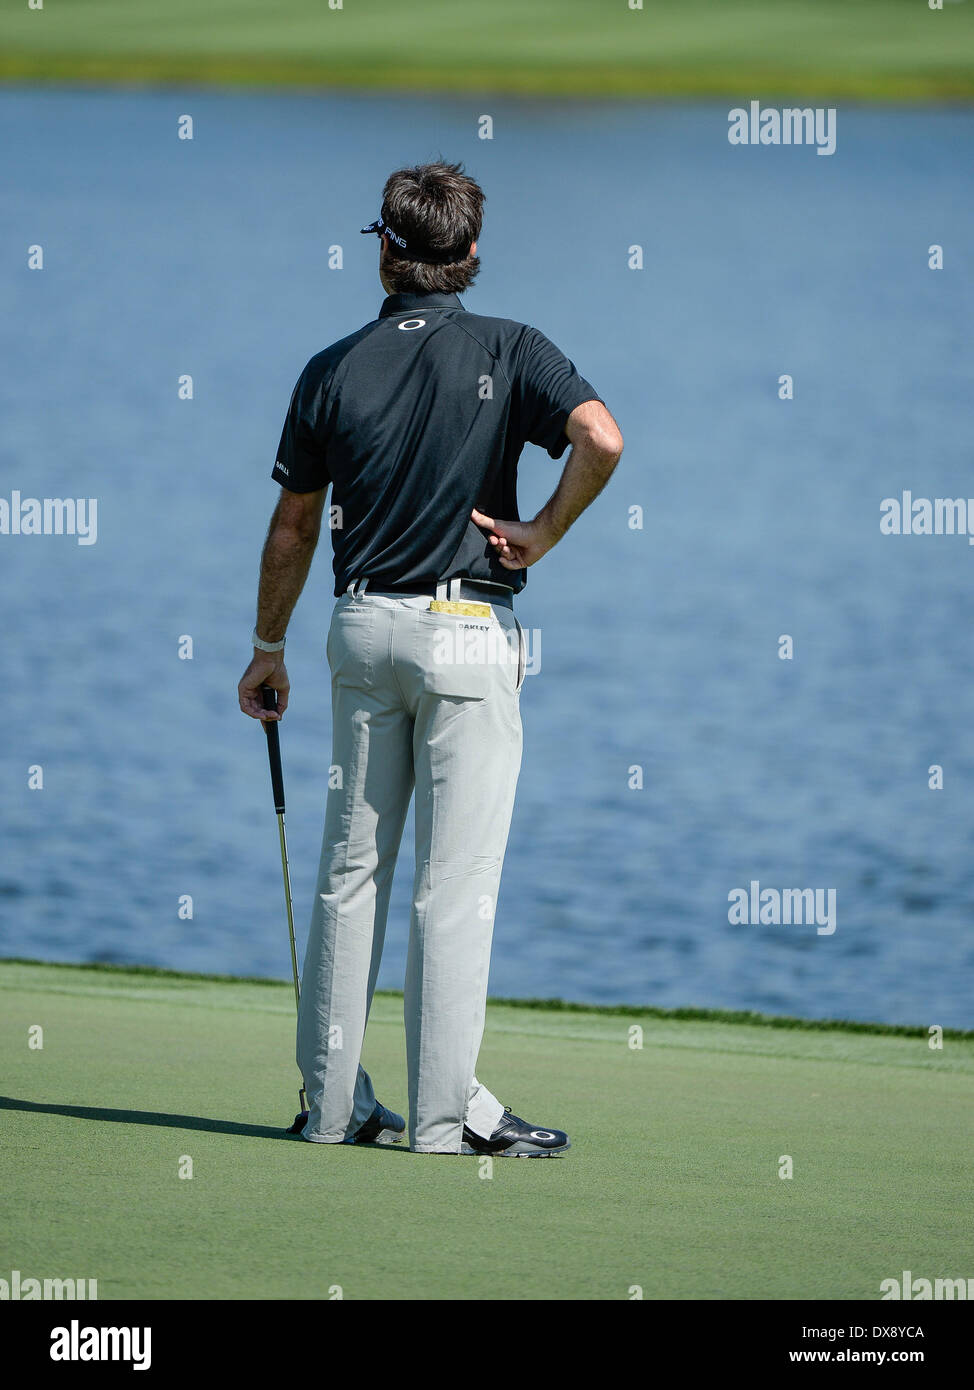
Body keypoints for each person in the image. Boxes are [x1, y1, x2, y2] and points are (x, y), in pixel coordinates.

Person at [238, 162, 623, 1156]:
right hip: (465, 636)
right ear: (470, 256)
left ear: (384, 249)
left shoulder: (330, 366)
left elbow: (291, 530)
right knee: (452, 888)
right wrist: (542, 529)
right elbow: (601, 437)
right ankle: (445, 1123)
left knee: (347, 874)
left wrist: (265, 648)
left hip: (360, 629)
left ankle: (329, 1109)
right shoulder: (511, 346)